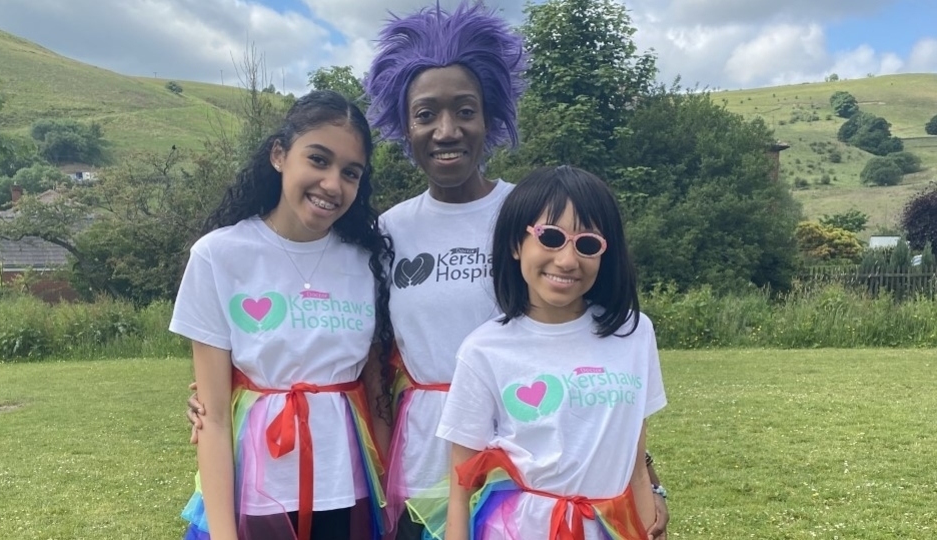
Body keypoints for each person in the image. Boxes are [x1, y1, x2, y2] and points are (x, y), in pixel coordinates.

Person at [188, 3, 669, 538]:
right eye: (425, 115)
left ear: (489, 119)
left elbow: (599, 347)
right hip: (419, 472)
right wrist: (229, 394)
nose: (447, 130)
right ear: (404, 125)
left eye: (465, 111)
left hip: (520, 478)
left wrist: (646, 475)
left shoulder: (533, 221)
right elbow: (362, 352)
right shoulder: (384, 235)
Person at [171, 90, 393, 540]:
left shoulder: (367, 260)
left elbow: (377, 391)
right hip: (255, 493)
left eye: (351, 173)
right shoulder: (219, 255)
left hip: (350, 493)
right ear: (279, 155)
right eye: (318, 159)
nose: (333, 184)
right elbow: (212, 418)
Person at [434, 165, 666, 540]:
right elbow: (461, 489)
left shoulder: (635, 333)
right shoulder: (483, 350)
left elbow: (635, 464)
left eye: (587, 243)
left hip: (610, 528)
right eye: (552, 237)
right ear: (515, 243)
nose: (567, 260)